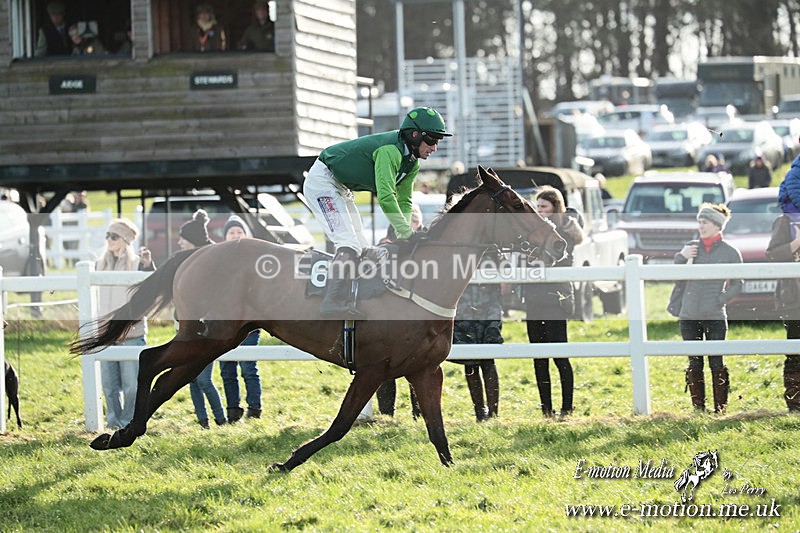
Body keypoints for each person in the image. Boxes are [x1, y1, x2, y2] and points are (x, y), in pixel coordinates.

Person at [303, 106, 452, 319]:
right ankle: (331, 301)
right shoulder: (390, 150)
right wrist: (406, 233)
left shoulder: (412, 163)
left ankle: (355, 294)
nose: (435, 147)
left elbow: (405, 200)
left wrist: (405, 232)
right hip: (322, 182)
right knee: (348, 243)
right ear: (415, 135)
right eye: (432, 141)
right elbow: (386, 197)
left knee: (364, 248)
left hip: (340, 186)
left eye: (438, 142)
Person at [676, 203, 743, 413]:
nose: (700, 225)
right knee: (694, 363)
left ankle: (720, 409)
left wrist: (719, 300)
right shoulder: (691, 248)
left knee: (716, 362)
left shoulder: (731, 252)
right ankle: (698, 409)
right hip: (688, 315)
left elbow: (738, 283)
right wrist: (681, 256)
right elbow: (675, 277)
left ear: (716, 225)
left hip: (714, 315)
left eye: (704, 222)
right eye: (699, 222)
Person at [525, 186, 585, 417]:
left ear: (555, 208)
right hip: (533, 300)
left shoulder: (564, 236)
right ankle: (546, 409)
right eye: (537, 206)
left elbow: (559, 261)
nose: (539, 210)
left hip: (556, 300)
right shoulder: (530, 235)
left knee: (560, 356)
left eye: (544, 207)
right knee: (539, 359)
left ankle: (567, 407)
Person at [96, 218, 153, 429]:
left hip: (132, 334)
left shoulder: (137, 264)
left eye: (114, 236)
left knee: (131, 386)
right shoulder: (99, 266)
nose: (109, 240)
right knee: (109, 385)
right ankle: (113, 422)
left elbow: (149, 294)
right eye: (107, 235)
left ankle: (128, 422)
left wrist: (148, 266)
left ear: (125, 240)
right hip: (106, 334)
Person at [177, 210, 226, 428]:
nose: (179, 242)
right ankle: (203, 421)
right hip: (188, 325)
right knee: (190, 378)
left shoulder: (210, 260)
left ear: (192, 240)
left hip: (208, 327)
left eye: (183, 239)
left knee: (204, 378)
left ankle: (221, 419)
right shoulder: (188, 261)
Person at [375, 204, 425, 417]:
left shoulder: (425, 246)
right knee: (384, 365)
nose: (409, 228)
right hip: (388, 314)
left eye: (413, 222)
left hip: (415, 315)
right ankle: (387, 414)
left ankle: (419, 411)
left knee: (417, 365)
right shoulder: (383, 247)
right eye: (405, 222)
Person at [218, 215, 263, 422]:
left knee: (248, 366)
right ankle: (233, 411)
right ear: (225, 237)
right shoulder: (217, 260)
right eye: (231, 232)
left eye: (239, 232)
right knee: (227, 368)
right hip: (224, 322)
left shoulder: (256, 260)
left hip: (249, 321)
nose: (235, 235)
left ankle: (254, 410)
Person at [451, 254, 503, 422]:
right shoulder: (460, 258)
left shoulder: (490, 258)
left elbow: (496, 295)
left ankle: (493, 413)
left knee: (488, 362)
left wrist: (494, 322)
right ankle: (480, 412)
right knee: (470, 365)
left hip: (487, 313)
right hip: (464, 315)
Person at [765, 194, 800, 412]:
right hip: (793, 300)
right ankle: (795, 404)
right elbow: (771, 255)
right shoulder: (785, 221)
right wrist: (796, 243)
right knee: (795, 352)